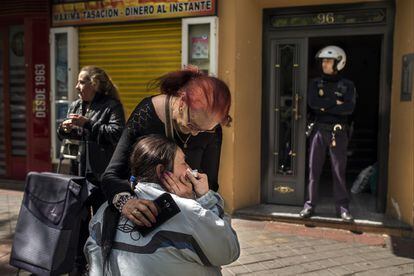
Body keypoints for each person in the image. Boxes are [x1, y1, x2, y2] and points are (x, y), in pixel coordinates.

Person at [85, 135, 240, 275]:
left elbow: (92, 256)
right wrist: (206, 199)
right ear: (162, 171)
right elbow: (228, 251)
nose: (189, 170)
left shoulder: (106, 209)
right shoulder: (189, 212)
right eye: (183, 162)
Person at [101, 66, 232, 227]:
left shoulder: (211, 127)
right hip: (142, 221)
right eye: (192, 125)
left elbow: (211, 184)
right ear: (182, 102)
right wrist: (127, 203)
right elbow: (111, 176)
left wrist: (194, 197)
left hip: (187, 221)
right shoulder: (147, 114)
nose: (197, 134)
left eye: (205, 130)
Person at [57, 65, 125, 274]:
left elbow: (116, 133)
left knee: (104, 226)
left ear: (94, 84)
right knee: (78, 226)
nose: (77, 87)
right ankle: (78, 268)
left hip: (102, 177)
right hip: (78, 175)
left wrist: (88, 123)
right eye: (77, 82)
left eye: (81, 81)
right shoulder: (76, 105)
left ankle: (104, 267)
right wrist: (64, 129)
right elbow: (71, 136)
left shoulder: (111, 106)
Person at [299, 46, 356, 222]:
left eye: (328, 61)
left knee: (339, 171)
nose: (324, 64)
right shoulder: (315, 83)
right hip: (318, 130)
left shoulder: (347, 85)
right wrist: (335, 102)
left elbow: (348, 108)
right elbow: (314, 103)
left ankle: (342, 208)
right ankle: (309, 205)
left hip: (338, 132)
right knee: (313, 170)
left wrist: (326, 105)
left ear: (339, 63)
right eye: (323, 61)